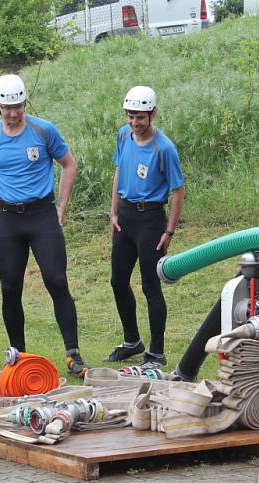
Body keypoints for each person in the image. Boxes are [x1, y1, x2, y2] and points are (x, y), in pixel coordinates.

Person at [0, 74, 90, 378]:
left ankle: (73, 353)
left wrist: (61, 206)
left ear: (24, 103)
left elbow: (69, 164)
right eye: (7, 107)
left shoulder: (44, 130)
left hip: (42, 215)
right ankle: (18, 354)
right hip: (8, 219)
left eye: (18, 106)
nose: (13, 113)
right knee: (10, 288)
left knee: (56, 281)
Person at [105, 86, 185, 370]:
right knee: (118, 281)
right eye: (130, 116)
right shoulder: (123, 136)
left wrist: (169, 231)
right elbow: (118, 172)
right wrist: (113, 212)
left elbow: (178, 190)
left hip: (150, 220)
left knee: (151, 286)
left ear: (152, 114)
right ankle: (131, 342)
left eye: (140, 117)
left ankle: (157, 352)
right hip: (124, 217)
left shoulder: (164, 148)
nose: (134, 123)